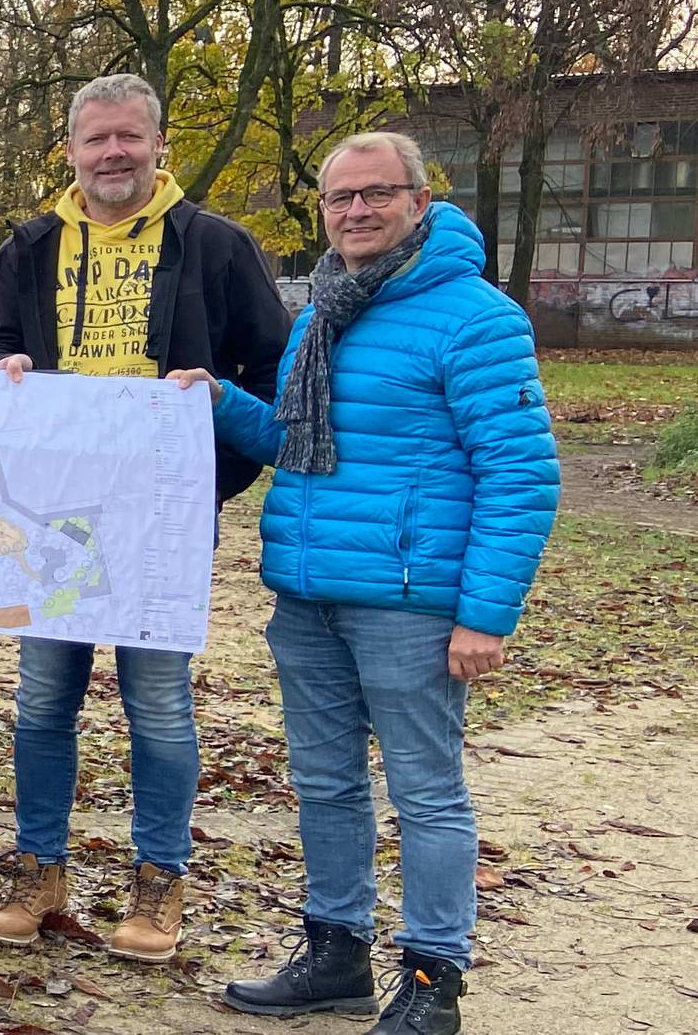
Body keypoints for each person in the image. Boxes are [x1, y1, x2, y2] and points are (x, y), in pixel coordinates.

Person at [175, 134, 558, 1035]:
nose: (355, 212)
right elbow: (303, 451)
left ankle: (434, 979)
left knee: (426, 792)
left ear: (420, 202)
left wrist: (484, 615)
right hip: (308, 594)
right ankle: (336, 951)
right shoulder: (323, 314)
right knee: (326, 782)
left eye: (375, 194)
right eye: (338, 198)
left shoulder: (476, 318)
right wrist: (225, 403)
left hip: (409, 601)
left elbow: (521, 473)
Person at [0, 72, 291, 963]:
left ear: (159, 146)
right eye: (95, 139)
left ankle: (159, 884)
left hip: (158, 522)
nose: (112, 153)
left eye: (128, 138)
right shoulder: (30, 247)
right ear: (71, 151)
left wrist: (204, 482)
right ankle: (39, 870)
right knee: (40, 704)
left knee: (157, 707)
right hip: (52, 519)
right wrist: (8, 368)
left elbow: (270, 382)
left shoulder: (220, 246)